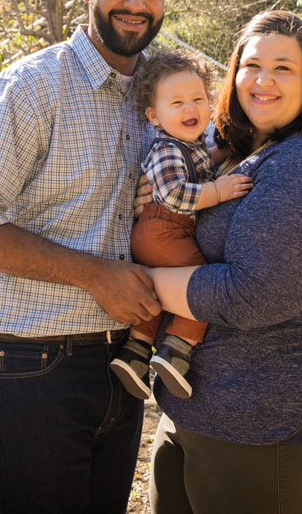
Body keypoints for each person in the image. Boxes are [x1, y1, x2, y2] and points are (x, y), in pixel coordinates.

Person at [0, 0, 169, 514]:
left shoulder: (162, 90)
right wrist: (96, 275)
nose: (137, 4)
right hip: (31, 368)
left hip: (124, 364)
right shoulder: (33, 86)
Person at [144, 10, 302, 514]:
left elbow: (253, 295)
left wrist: (138, 281)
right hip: (202, 407)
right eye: (252, 65)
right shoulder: (241, 153)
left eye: (284, 68)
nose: (263, 80)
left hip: (272, 419)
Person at [109, 50, 252, 400]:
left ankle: (136, 352)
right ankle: (177, 349)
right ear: (154, 116)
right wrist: (216, 191)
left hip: (159, 234)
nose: (190, 109)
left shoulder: (191, 144)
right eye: (177, 103)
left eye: (198, 100)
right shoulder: (166, 148)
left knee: (155, 292)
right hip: (164, 229)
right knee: (200, 285)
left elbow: (204, 160)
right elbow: (173, 194)